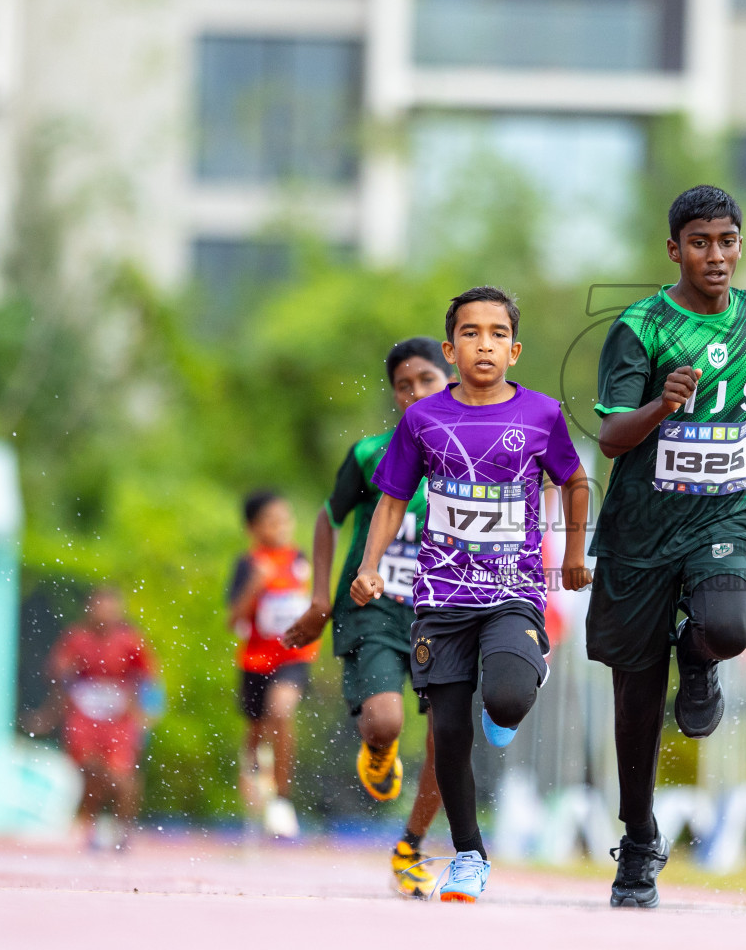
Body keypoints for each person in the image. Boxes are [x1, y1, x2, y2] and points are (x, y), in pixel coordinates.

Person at [586, 185, 746, 908]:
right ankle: (637, 838)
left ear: (739, 245)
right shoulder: (640, 328)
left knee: (724, 626)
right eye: (699, 243)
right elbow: (611, 435)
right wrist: (664, 402)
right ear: (674, 250)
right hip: (642, 530)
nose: (714, 256)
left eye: (726, 242)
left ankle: (699, 658)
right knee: (634, 691)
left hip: (725, 513)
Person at [350, 286, 591, 903]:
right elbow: (393, 499)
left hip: (512, 592)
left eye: (495, 334)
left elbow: (574, 479)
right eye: (469, 333)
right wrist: (371, 565)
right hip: (441, 601)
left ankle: (503, 700)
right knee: (448, 737)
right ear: (451, 348)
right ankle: (468, 855)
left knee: (507, 699)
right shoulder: (422, 420)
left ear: (514, 349)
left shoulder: (541, 414)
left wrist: (571, 553)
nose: (483, 343)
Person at [284, 336, 450, 898]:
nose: (415, 392)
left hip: (444, 609)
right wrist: (320, 599)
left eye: (426, 379)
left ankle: (411, 846)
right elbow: (328, 519)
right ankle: (377, 748)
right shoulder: (370, 455)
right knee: (386, 723)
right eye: (403, 386)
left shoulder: (477, 451)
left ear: (448, 378)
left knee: (446, 740)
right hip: (372, 605)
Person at [227, 490, 318, 839]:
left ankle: (282, 800)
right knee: (256, 732)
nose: (281, 527)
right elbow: (232, 618)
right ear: (253, 527)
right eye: (272, 521)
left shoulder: (299, 559)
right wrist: (254, 585)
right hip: (255, 661)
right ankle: (252, 778)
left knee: (280, 712)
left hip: (293, 657)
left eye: (286, 519)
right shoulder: (246, 564)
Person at [45, 586, 158, 851]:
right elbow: (58, 672)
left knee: (122, 777)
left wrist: (147, 713)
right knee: (89, 770)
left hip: (120, 719)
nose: (104, 613)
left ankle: (123, 830)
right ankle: (90, 825)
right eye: (98, 607)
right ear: (89, 610)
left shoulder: (131, 640)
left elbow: (149, 678)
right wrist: (62, 685)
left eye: (110, 607)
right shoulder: (76, 638)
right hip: (84, 718)